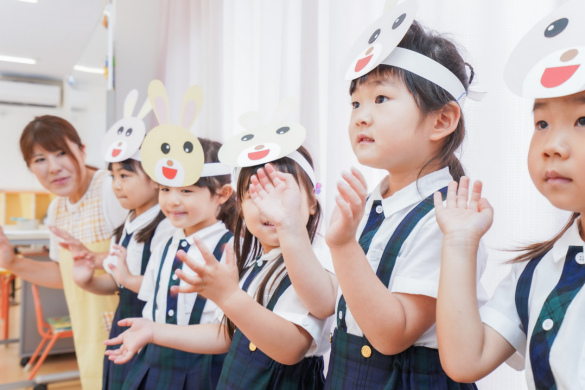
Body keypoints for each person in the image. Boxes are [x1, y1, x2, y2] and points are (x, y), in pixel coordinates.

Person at [324, 9, 487, 389]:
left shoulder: (450, 219)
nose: (361, 117)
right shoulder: (370, 203)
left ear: (442, 120)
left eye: (381, 98)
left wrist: (343, 245)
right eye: (355, 103)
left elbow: (392, 334)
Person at [434, 1, 585, 388]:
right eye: (542, 122)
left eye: (582, 119)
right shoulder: (536, 272)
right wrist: (460, 244)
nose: (552, 144)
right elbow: (466, 360)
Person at [105, 146, 333, 389]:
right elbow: (227, 334)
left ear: (311, 200)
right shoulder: (260, 262)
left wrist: (229, 296)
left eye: (282, 194)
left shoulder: (313, 259)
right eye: (256, 196)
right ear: (241, 207)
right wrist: (153, 331)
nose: (270, 209)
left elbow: (291, 349)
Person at [0, 115, 127, 389]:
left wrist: (96, 260)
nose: (54, 167)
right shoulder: (58, 208)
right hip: (90, 331)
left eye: (61, 153)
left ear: (82, 151)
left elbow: (143, 261)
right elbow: (63, 275)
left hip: (129, 332)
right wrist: (12, 261)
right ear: (30, 167)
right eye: (40, 159)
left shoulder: (110, 189)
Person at [51, 156, 174, 390]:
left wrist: (126, 278)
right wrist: (87, 282)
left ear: (157, 179)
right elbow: (119, 284)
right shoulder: (124, 227)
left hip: (153, 326)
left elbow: (164, 287)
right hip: (123, 323)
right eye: (113, 176)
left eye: (125, 176)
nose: (116, 185)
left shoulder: (166, 227)